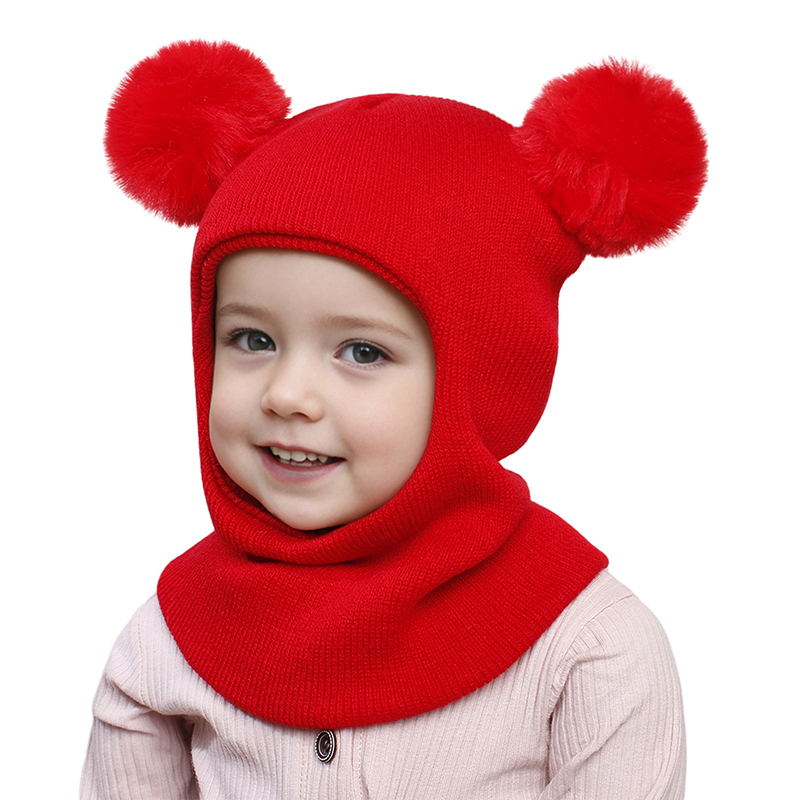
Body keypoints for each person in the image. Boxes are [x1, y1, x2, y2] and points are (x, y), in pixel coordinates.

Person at [82, 40, 707, 799]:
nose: (288, 395)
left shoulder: (588, 649)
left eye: (363, 351)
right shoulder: (169, 642)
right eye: (252, 339)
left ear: (483, 378)